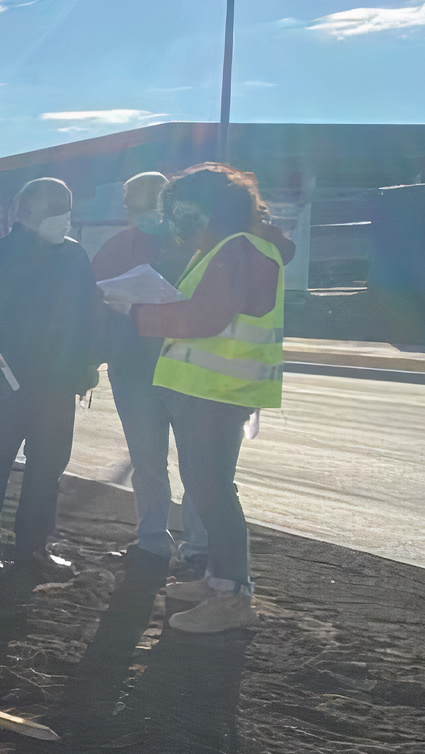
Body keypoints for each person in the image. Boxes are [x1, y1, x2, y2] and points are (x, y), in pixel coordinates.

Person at [122, 163, 290, 633]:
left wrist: (137, 312)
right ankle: (221, 582)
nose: (176, 223)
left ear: (204, 209)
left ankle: (232, 598)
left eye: (181, 211)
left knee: (213, 491)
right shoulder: (232, 246)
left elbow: (204, 317)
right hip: (210, 390)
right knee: (208, 487)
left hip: (217, 392)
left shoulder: (240, 249)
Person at [0, 176, 108, 581]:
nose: (63, 217)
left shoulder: (74, 257)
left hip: (58, 382)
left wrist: (90, 362)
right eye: (55, 207)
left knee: (47, 467)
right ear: (25, 211)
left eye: (67, 208)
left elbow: (89, 314)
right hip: (5, 382)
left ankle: (33, 550)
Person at [92, 171, 207, 582]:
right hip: (134, 370)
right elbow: (93, 305)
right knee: (148, 462)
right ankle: (153, 542)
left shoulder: (196, 243)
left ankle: (199, 549)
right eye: (135, 206)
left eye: (149, 205)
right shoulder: (118, 246)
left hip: (187, 370)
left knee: (197, 466)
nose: (142, 214)